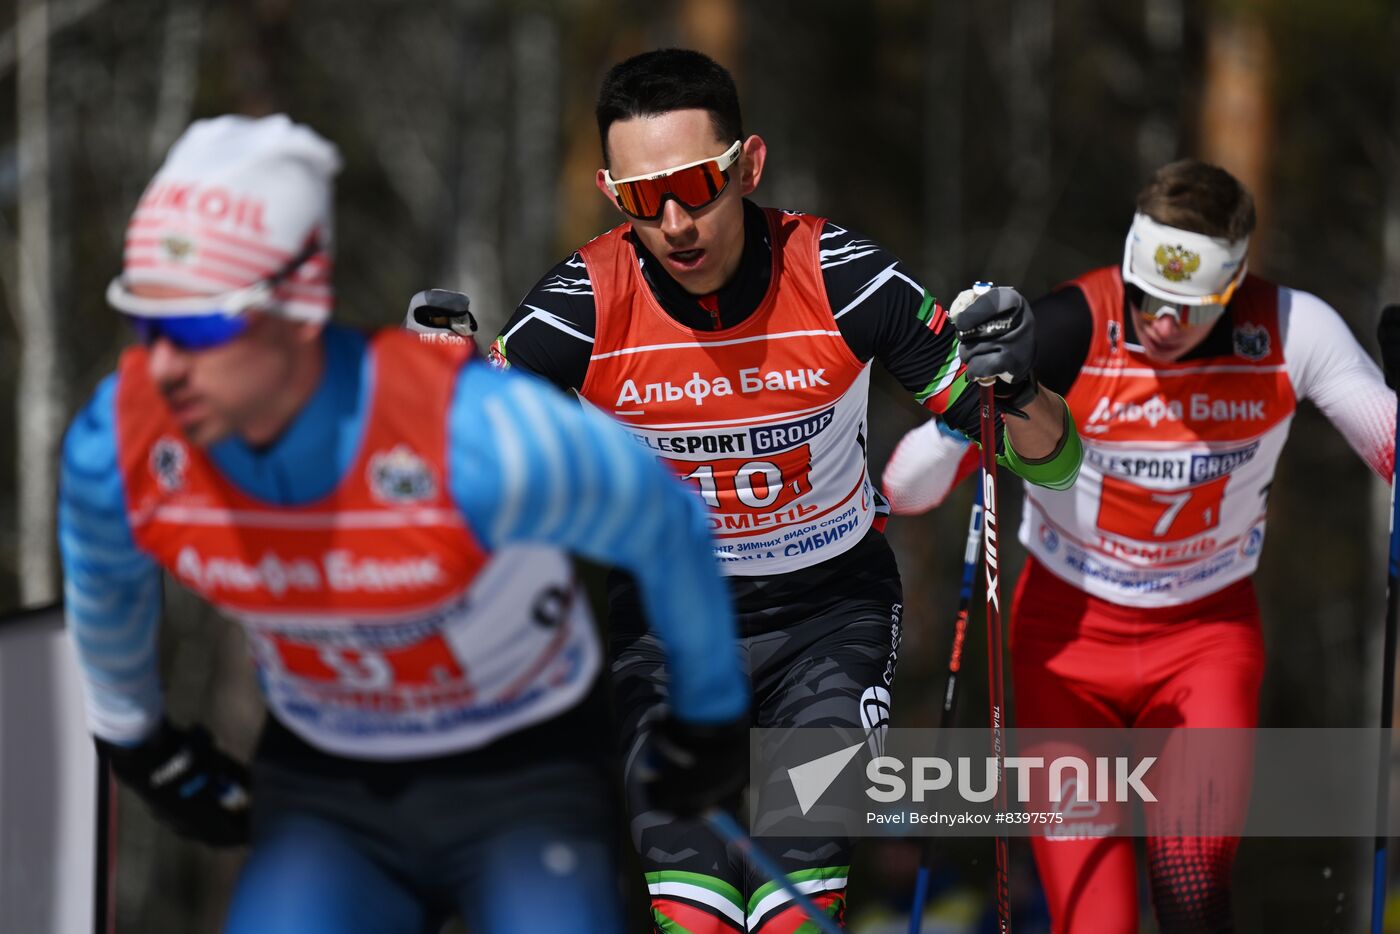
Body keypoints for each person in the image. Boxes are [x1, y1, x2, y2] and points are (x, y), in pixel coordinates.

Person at [58, 113, 748, 934]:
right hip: (330, 781)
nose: (161, 365)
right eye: (146, 324)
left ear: (299, 305)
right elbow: (104, 582)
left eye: (202, 327)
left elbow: (663, 519)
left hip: (521, 768)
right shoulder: (124, 441)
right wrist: (136, 742)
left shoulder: (470, 433)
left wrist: (708, 717)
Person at [484, 48, 1081, 933]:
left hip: (828, 621)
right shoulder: (585, 303)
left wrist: (1020, 388)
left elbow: (1047, 460)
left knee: (795, 908)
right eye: (643, 199)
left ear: (748, 165)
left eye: (695, 184)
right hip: (668, 630)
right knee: (698, 915)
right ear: (616, 195)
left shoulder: (842, 277)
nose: (676, 221)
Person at [882, 159, 1397, 932]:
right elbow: (904, 490)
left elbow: (1385, 443)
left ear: (1233, 286)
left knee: (1191, 896)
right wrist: (967, 408)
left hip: (1205, 641)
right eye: (1149, 294)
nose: (1161, 321)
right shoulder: (1075, 324)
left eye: (1189, 307)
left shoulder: (1292, 328)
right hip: (1065, 645)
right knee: (1094, 922)